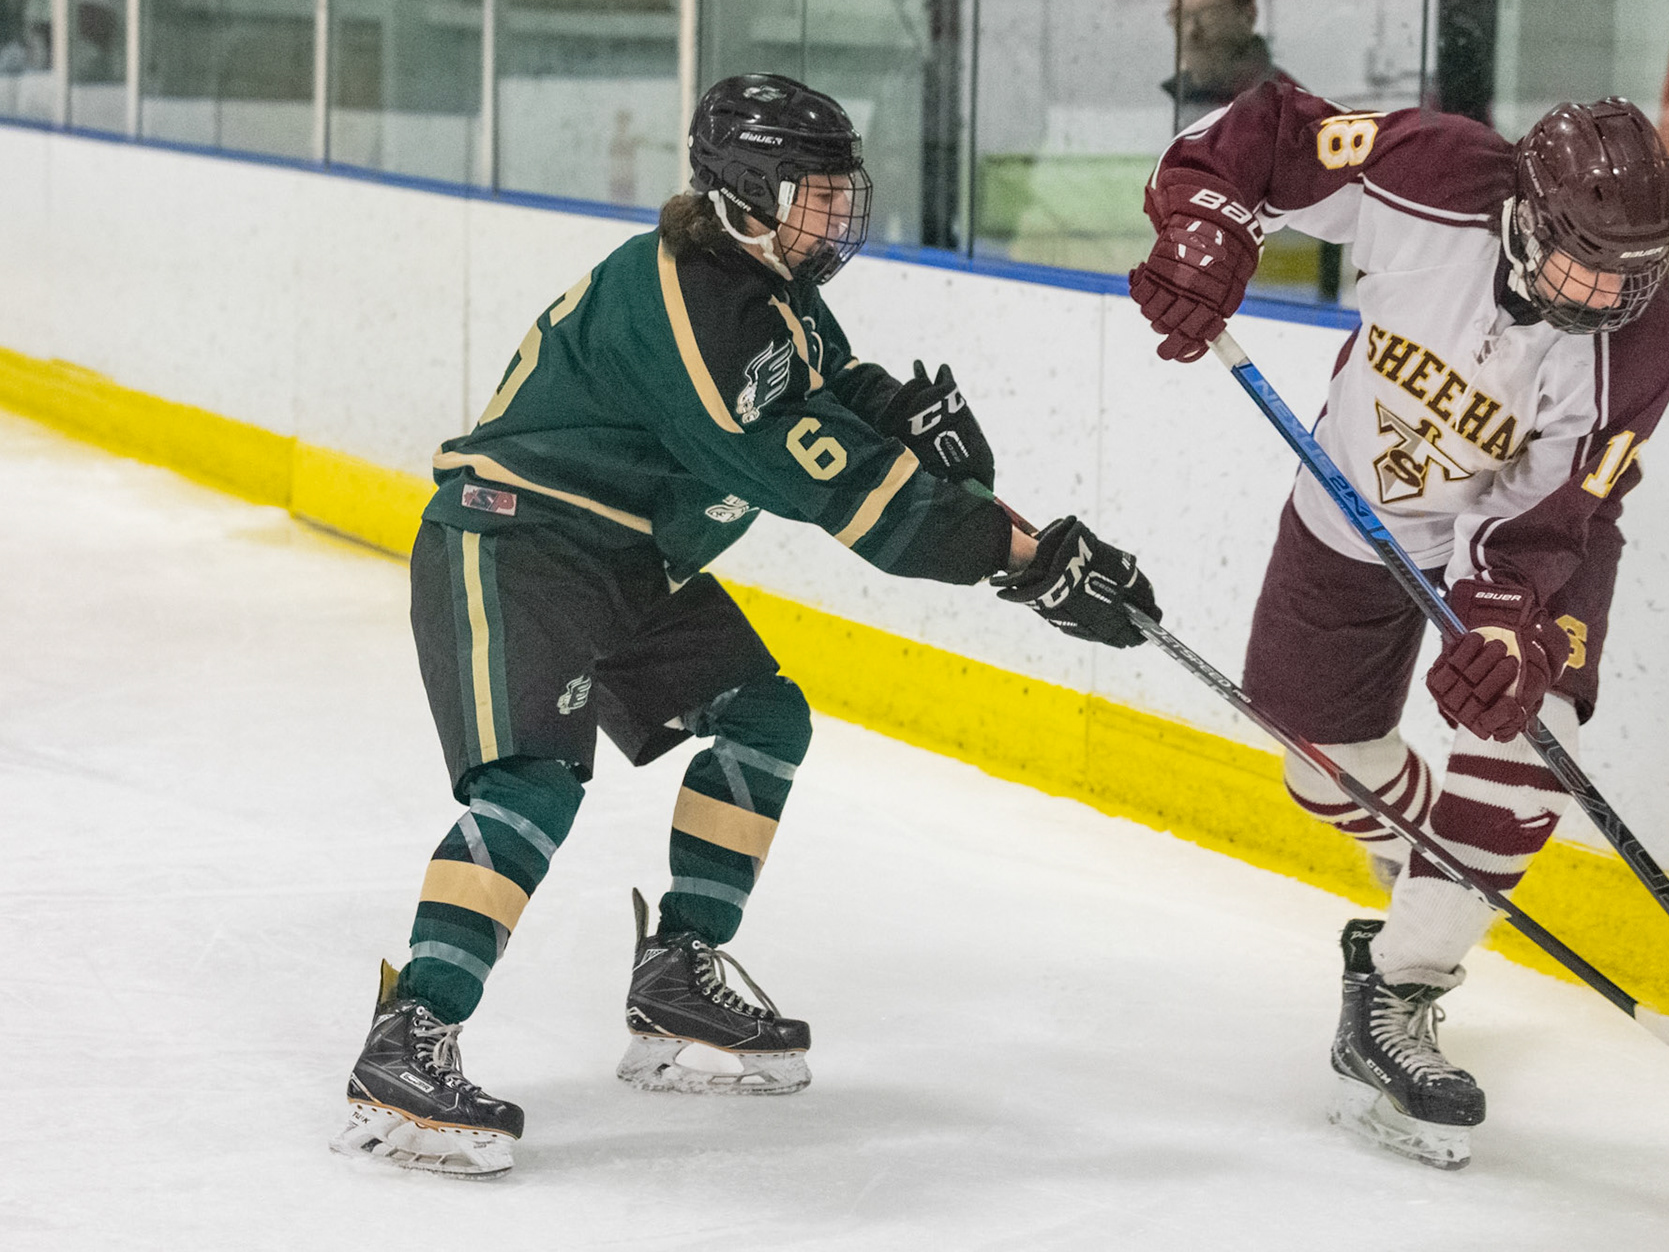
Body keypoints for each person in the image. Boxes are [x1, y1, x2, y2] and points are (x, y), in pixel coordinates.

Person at [332, 73, 1162, 1179]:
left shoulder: (760, 281)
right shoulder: (696, 313)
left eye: (839, 191)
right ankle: (407, 1038)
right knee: (531, 784)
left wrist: (903, 418)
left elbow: (834, 385)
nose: (836, 214)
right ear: (747, 191)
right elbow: (841, 487)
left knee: (764, 718)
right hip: (517, 542)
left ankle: (677, 973)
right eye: (815, 193)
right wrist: (1028, 565)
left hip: (627, 557)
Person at [1128, 80, 1669, 1168]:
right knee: (1316, 759)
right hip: (1352, 494)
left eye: (1633, 273)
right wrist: (1207, 228)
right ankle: (1432, 875)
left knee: (1529, 738)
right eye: (1585, 264)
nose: (1608, 295)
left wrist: (1506, 622)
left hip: (1539, 534)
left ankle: (1399, 990)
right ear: (1524, 214)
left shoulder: (1638, 349)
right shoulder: (1430, 171)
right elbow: (1259, 138)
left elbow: (1551, 511)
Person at [1163, 0, 1291, 133]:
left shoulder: (1288, 115)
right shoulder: (1175, 104)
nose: (1191, 32)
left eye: (1208, 14)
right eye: (1180, 15)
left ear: (1248, 15)